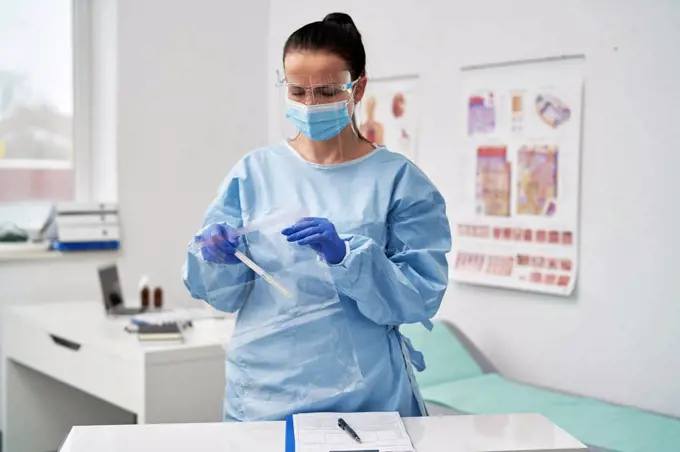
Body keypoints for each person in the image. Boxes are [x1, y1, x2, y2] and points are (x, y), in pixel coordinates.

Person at [182, 12, 451, 422]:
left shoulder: (399, 181)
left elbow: (420, 295)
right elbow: (222, 293)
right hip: (265, 396)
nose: (310, 105)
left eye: (326, 92)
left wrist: (348, 257)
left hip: (367, 398)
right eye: (297, 91)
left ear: (358, 87)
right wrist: (214, 256)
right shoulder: (254, 173)